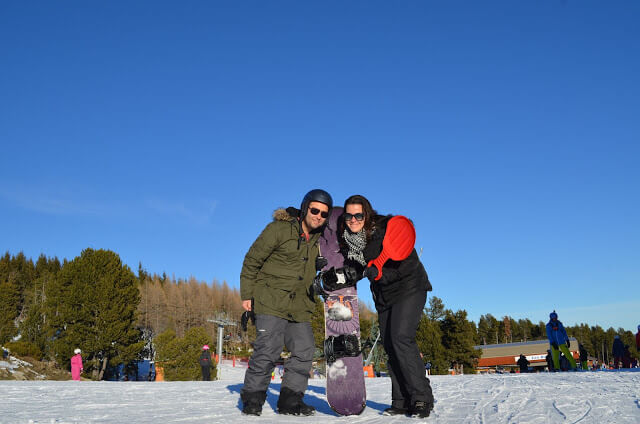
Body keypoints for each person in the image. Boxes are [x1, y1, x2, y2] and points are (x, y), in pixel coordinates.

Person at [338, 194, 434, 418]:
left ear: (367, 214)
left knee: (401, 338)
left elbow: (406, 263)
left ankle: (421, 398)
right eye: (349, 215)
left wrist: (381, 273)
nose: (353, 220)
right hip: (384, 297)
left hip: (410, 288)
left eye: (358, 215)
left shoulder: (385, 230)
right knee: (390, 344)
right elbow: (358, 270)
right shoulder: (349, 241)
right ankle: (401, 401)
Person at [239, 189, 332, 416]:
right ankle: (253, 399)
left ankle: (290, 401)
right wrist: (247, 294)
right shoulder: (279, 230)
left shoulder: (321, 241)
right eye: (314, 210)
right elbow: (252, 260)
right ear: (304, 208)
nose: (318, 216)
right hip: (271, 299)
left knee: (304, 350)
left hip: (300, 305)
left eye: (323, 214)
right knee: (268, 350)